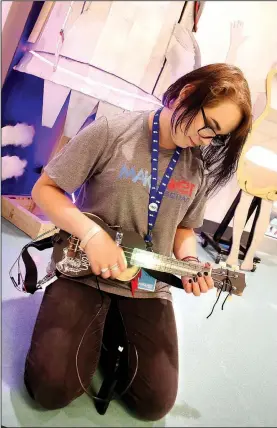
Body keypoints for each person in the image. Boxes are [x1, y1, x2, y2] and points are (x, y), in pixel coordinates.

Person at [24, 63, 252, 421]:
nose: (206, 140)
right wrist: (92, 233)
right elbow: (45, 190)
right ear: (188, 94)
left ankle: (110, 321)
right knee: (50, 388)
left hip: (145, 283)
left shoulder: (196, 168)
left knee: (154, 403)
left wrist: (190, 263)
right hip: (85, 268)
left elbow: (184, 230)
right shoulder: (111, 132)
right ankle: (91, 317)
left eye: (217, 136)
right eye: (209, 126)